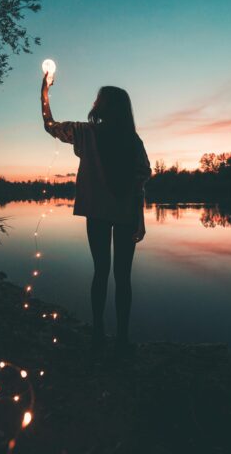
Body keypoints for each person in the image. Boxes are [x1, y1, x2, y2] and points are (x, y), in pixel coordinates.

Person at [40, 72, 151, 356]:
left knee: (100, 272)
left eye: (98, 99)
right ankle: (122, 339)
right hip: (126, 214)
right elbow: (141, 177)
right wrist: (140, 217)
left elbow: (49, 125)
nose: (94, 102)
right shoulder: (132, 140)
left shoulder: (85, 133)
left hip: (97, 213)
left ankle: (99, 334)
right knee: (122, 277)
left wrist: (45, 92)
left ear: (103, 106)